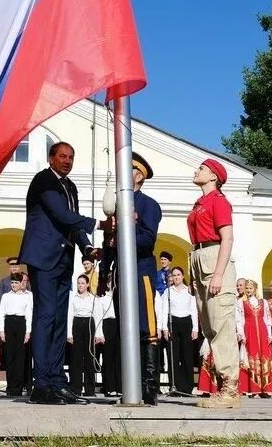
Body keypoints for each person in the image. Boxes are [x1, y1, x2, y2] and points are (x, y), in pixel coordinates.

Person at [18, 141, 96, 405]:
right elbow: (61, 214)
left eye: (71, 157)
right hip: (43, 258)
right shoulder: (44, 181)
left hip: (63, 260)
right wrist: (98, 223)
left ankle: (56, 381)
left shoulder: (70, 186)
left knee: (60, 321)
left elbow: (71, 220)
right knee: (46, 317)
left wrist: (87, 248)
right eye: (62, 156)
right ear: (51, 158)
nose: (67, 161)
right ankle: (41, 384)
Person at [98, 150, 162, 403]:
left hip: (141, 272)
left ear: (138, 176)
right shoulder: (118, 205)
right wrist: (104, 272)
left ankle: (149, 387)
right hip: (121, 275)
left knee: (146, 328)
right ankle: (130, 385)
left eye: (128, 171)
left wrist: (124, 233)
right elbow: (108, 242)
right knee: (126, 329)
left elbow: (147, 240)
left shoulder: (149, 205)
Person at [187, 158, 239, 410]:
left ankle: (230, 389)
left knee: (221, 325)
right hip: (200, 259)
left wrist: (218, 274)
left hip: (213, 258)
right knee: (209, 326)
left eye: (202, 168)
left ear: (214, 177)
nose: (197, 171)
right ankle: (222, 387)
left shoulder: (218, 201)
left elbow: (227, 238)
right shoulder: (200, 203)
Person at [157, 266, 198, 394]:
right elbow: (164, 311)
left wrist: (195, 328)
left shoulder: (189, 291)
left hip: (186, 323)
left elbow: (194, 310)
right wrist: (164, 328)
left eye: (178, 275)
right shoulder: (168, 292)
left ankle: (187, 387)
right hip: (173, 323)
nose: (176, 277)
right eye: (174, 275)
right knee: (173, 356)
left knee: (187, 356)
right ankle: (174, 386)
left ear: (183, 276)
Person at [237, 279, 272, 397]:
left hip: (262, 331)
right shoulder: (241, 302)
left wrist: (269, 334)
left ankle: (266, 387)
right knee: (251, 357)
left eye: (250, 288)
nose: (248, 290)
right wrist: (241, 334)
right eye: (247, 288)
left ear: (255, 289)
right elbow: (239, 320)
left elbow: (267, 318)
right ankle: (253, 388)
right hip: (249, 331)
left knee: (265, 357)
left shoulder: (263, 302)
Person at [0, 270, 33, 398]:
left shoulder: (27, 296)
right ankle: (10, 385)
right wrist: (1, 330)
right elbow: (1, 313)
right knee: (9, 356)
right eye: (12, 282)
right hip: (9, 323)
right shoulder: (6, 296)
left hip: (21, 323)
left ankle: (18, 386)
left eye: (16, 282)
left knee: (20, 357)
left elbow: (29, 314)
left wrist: (28, 332)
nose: (14, 285)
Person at [67, 274, 97, 397]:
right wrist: (69, 334)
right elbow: (70, 315)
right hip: (77, 324)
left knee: (89, 357)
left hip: (89, 324)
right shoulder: (73, 298)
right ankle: (76, 388)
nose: (80, 285)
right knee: (76, 358)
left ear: (87, 284)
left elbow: (97, 315)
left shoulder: (92, 298)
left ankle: (90, 389)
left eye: (83, 283)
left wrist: (98, 334)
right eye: (79, 283)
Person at [93, 275, 120, 397]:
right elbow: (98, 316)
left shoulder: (120, 297)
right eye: (109, 282)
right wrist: (99, 334)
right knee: (108, 358)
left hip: (117, 325)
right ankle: (109, 387)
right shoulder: (102, 299)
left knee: (118, 358)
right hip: (107, 325)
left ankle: (119, 386)